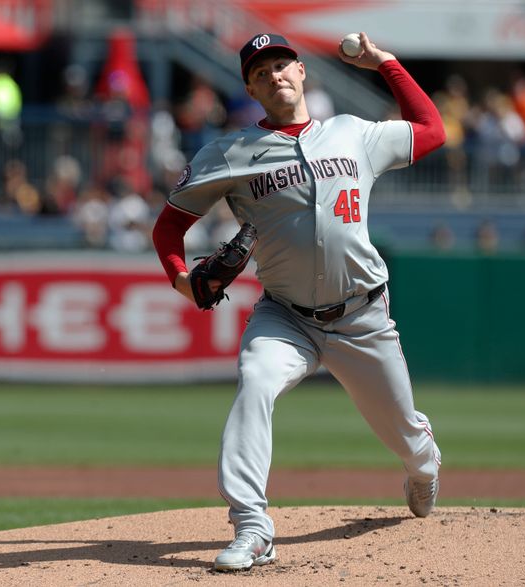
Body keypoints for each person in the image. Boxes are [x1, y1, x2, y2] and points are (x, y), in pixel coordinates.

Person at [151, 32, 445, 572]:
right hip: (285, 316)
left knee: (405, 434)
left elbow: (432, 131)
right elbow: (169, 227)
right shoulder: (228, 153)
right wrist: (180, 279)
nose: (274, 76)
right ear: (250, 88)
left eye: (281, 65)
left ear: (302, 71)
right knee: (255, 381)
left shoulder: (354, 133)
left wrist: (385, 62)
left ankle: (424, 465)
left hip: (362, 318)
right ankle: (252, 527)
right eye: (261, 73)